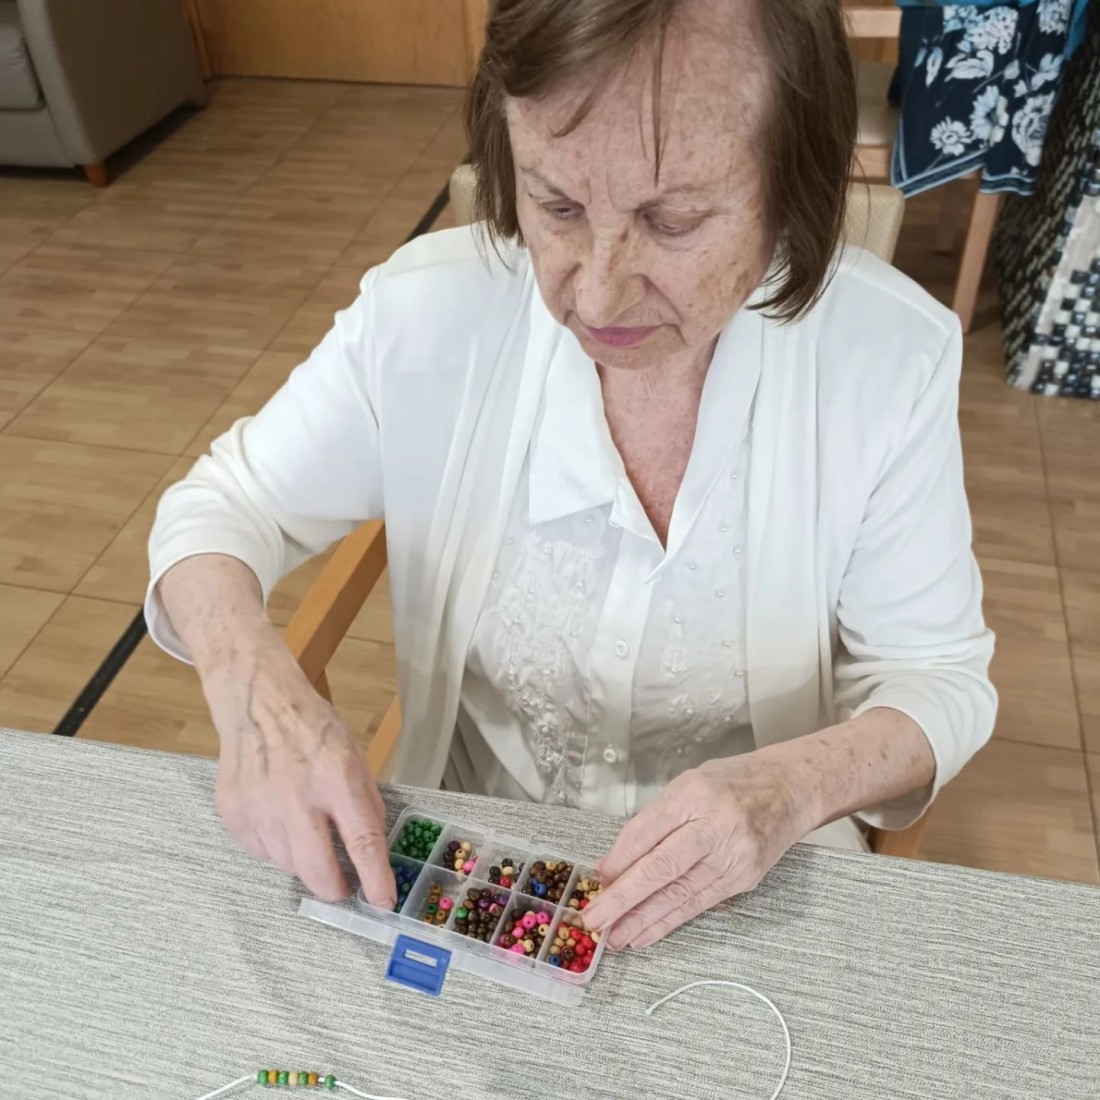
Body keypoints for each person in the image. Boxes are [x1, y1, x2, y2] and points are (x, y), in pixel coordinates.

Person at [146, 0, 996, 952]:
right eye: (555, 206)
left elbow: (939, 678)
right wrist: (253, 686)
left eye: (672, 220)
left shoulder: (889, 359)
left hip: (749, 884)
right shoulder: (423, 317)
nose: (595, 292)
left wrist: (789, 787)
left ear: (792, 189)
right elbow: (218, 510)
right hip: (470, 864)